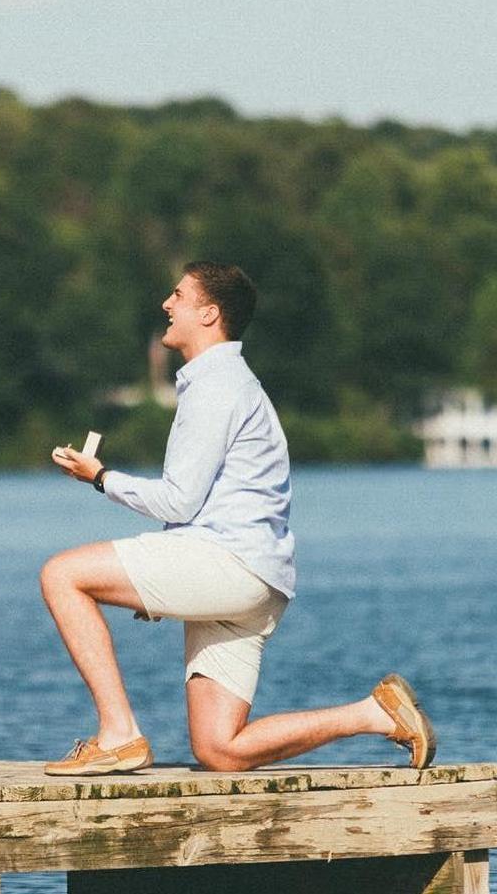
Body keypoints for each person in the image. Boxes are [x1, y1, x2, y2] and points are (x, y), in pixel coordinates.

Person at [44, 261, 436, 776]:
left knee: (62, 575)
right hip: (254, 577)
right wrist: (162, 584)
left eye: (178, 295)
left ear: (209, 314)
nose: (166, 303)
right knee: (219, 750)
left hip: (228, 564)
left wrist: (101, 478)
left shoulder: (216, 387)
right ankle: (374, 714)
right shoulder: (228, 382)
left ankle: (119, 734)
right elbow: (208, 504)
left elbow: (179, 501)